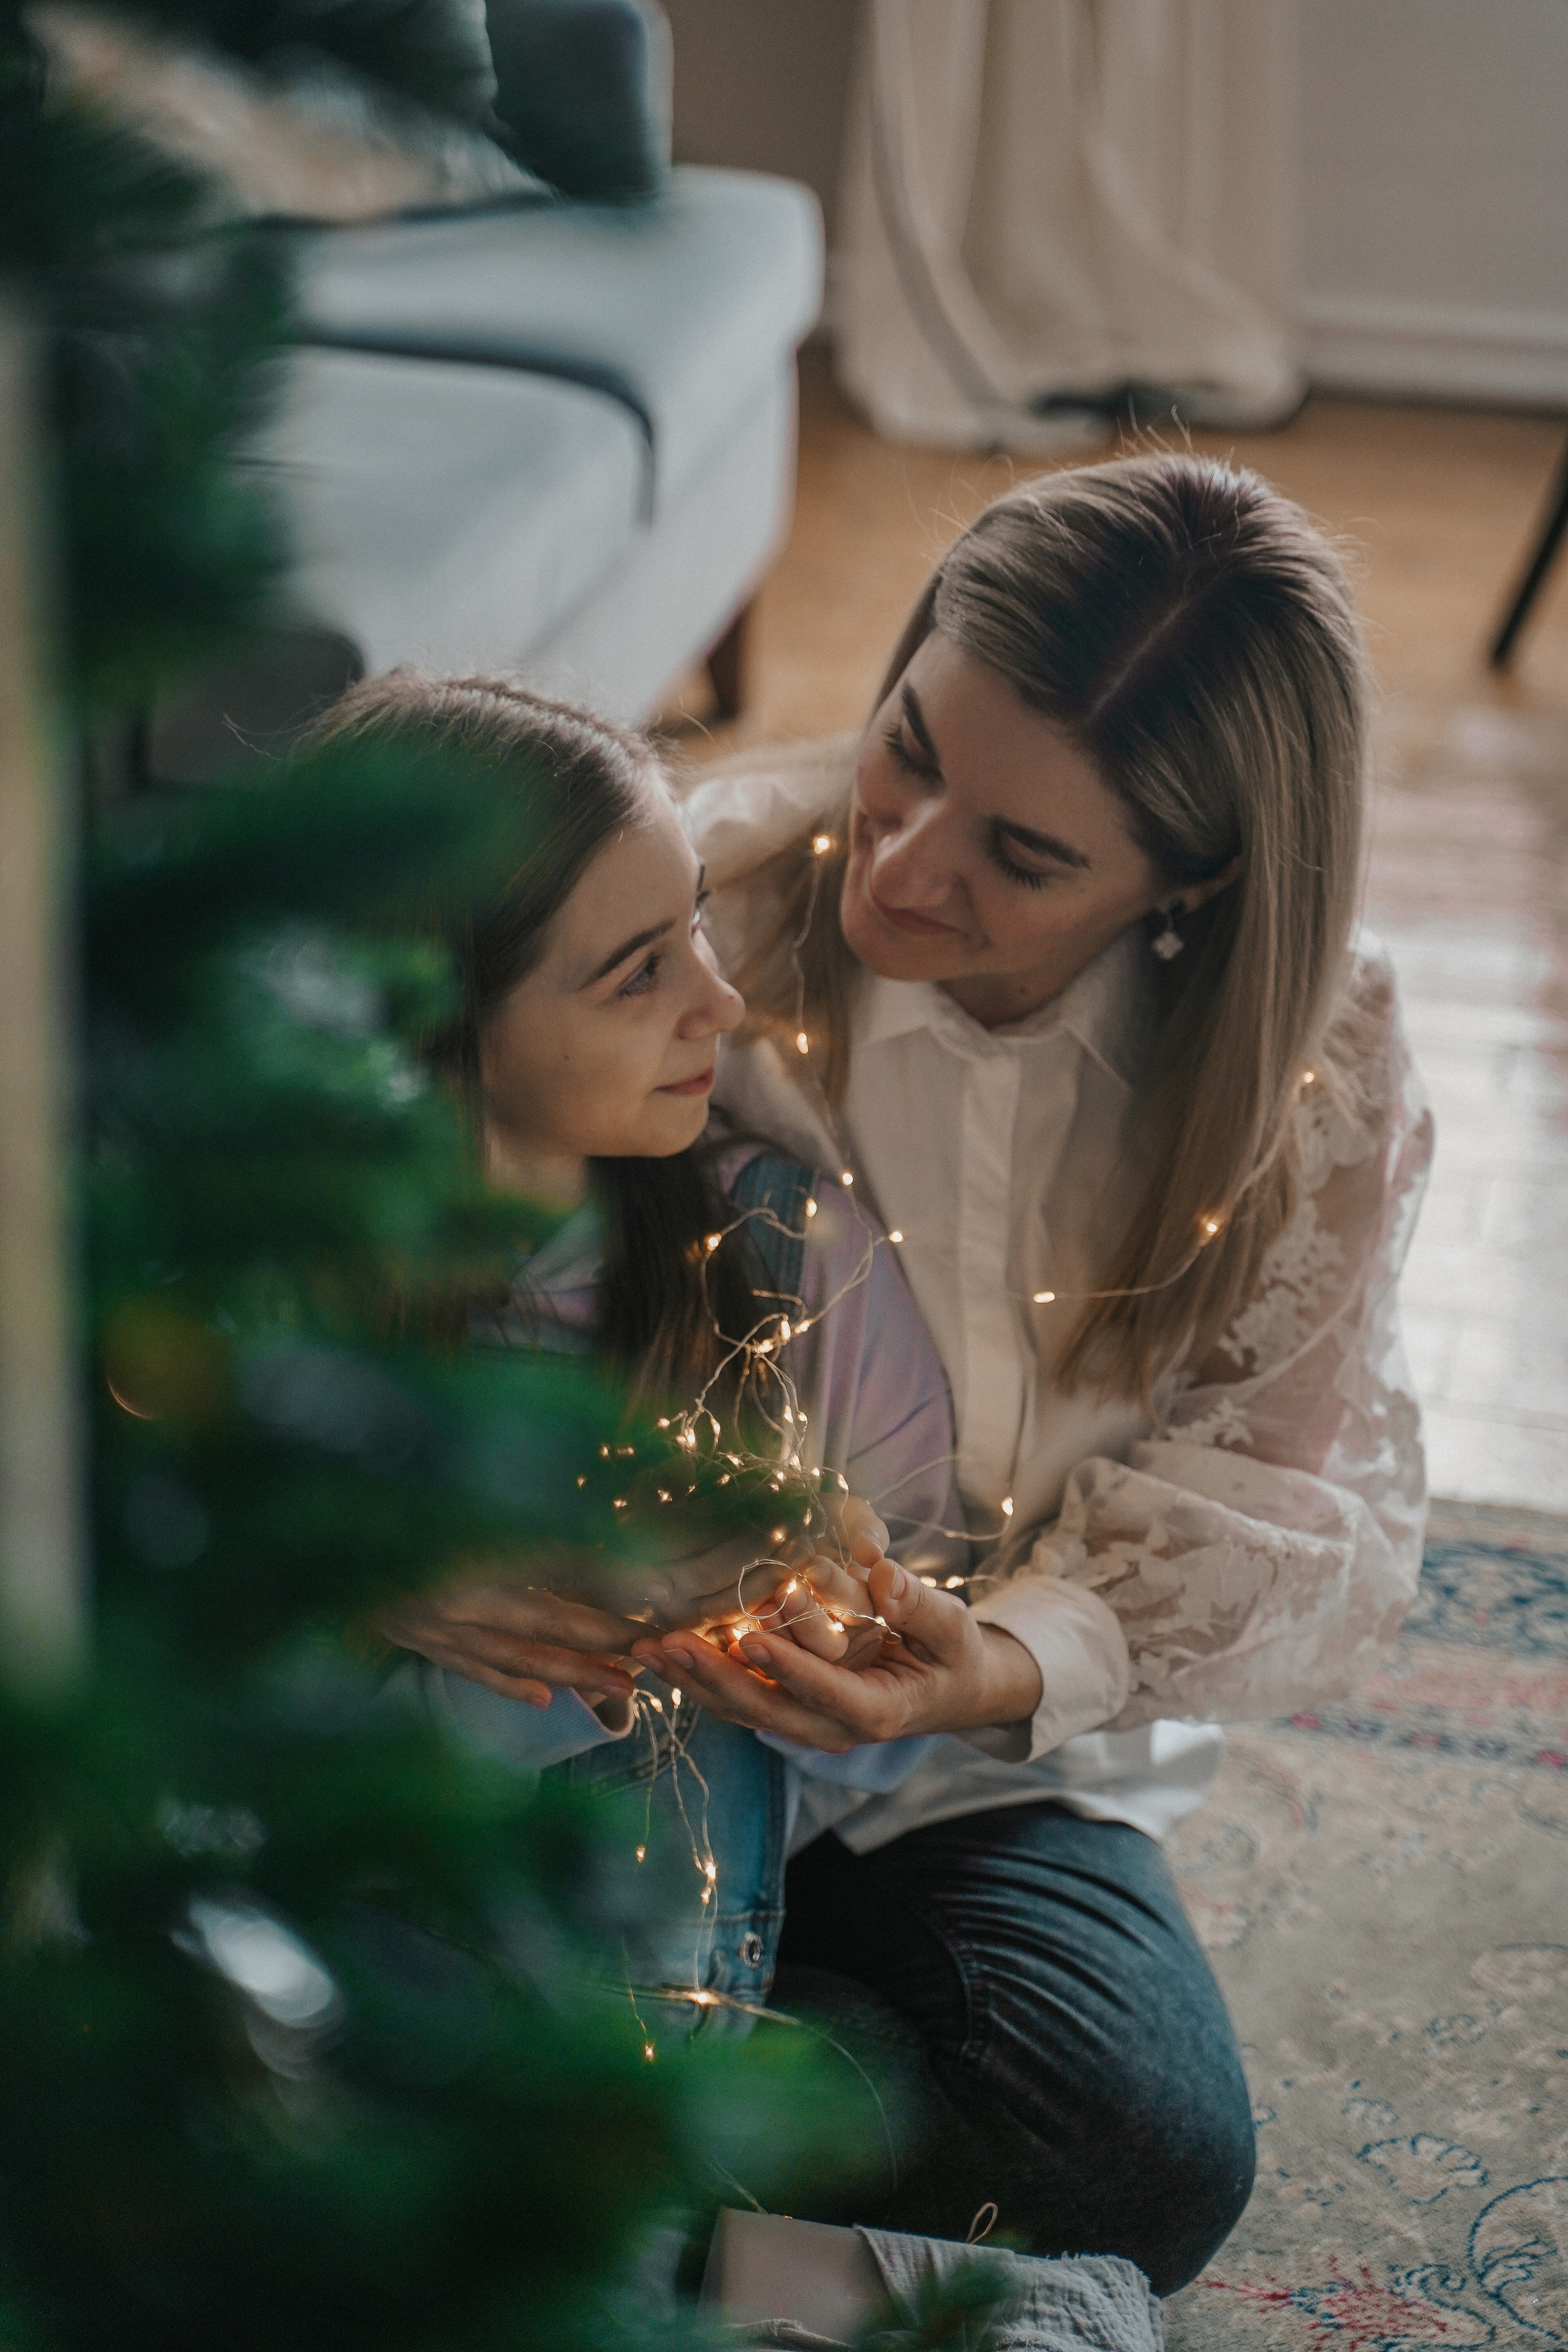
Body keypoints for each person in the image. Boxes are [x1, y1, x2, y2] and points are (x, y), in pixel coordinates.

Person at [396, 454, 1434, 2290]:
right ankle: (599, 2094)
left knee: (1135, 2150)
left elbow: (1280, 1485)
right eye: (909, 750)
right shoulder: (708, 896)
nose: (902, 865)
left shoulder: (1310, 1076)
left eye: (1023, 857)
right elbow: (257, 1174)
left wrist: (996, 1663)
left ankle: (528, 2095)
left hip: (956, 1772)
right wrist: (379, 1545)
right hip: (555, 1718)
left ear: (1192, 877)